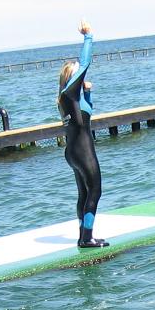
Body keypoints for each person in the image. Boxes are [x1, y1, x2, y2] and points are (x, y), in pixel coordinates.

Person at [58, 20, 109, 248]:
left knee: (84, 193)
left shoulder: (68, 99)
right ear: (72, 77)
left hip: (73, 151)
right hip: (83, 150)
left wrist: (87, 93)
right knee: (95, 190)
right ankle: (87, 237)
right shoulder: (70, 93)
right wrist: (88, 36)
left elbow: (86, 114)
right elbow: (86, 62)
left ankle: (83, 235)